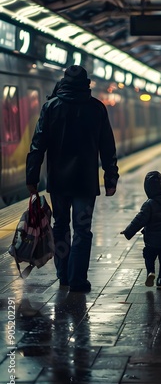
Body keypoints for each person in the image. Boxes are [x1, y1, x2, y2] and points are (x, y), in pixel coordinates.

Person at [26, 65, 119, 293]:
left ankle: (64, 275)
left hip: (58, 181)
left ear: (64, 82)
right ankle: (78, 280)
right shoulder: (97, 108)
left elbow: (38, 145)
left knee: (60, 226)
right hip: (85, 182)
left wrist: (32, 177)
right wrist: (110, 177)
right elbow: (107, 146)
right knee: (83, 229)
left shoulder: (51, 107)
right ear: (87, 84)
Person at [120, 171, 161, 289]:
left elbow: (139, 220)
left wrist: (128, 231)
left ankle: (151, 272)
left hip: (153, 240)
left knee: (149, 255)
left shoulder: (149, 204)